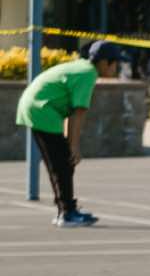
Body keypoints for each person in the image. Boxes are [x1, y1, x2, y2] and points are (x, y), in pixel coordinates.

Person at [17, 39, 127, 228]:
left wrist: (71, 145)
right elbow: (78, 113)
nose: (117, 68)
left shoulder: (83, 68)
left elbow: (73, 112)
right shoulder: (87, 74)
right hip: (42, 110)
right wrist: (73, 146)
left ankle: (66, 209)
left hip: (37, 107)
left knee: (63, 162)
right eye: (115, 63)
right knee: (61, 164)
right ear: (104, 62)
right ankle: (67, 214)